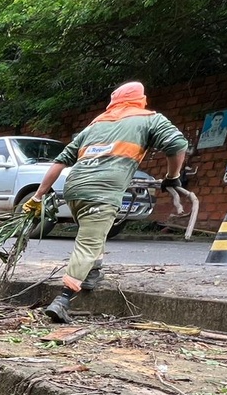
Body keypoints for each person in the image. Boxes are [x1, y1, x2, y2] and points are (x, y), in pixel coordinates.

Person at [26, 82, 188, 323]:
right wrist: (172, 177)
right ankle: (63, 299)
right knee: (88, 242)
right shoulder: (151, 119)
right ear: (140, 99)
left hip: (75, 189)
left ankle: (93, 273)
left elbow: (60, 162)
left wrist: (38, 195)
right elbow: (177, 145)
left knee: (93, 231)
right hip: (104, 191)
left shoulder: (95, 124)